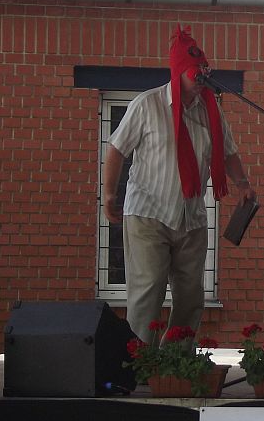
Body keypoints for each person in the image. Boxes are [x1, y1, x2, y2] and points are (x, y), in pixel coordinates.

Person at [102, 27, 255, 343]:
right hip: (148, 214)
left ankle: (177, 361)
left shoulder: (210, 110)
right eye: (194, 72)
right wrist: (109, 194)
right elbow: (116, 149)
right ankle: (140, 363)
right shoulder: (147, 104)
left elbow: (228, 152)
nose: (201, 78)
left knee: (190, 297)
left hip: (191, 217)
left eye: (204, 72)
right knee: (148, 292)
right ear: (178, 72)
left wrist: (242, 184)